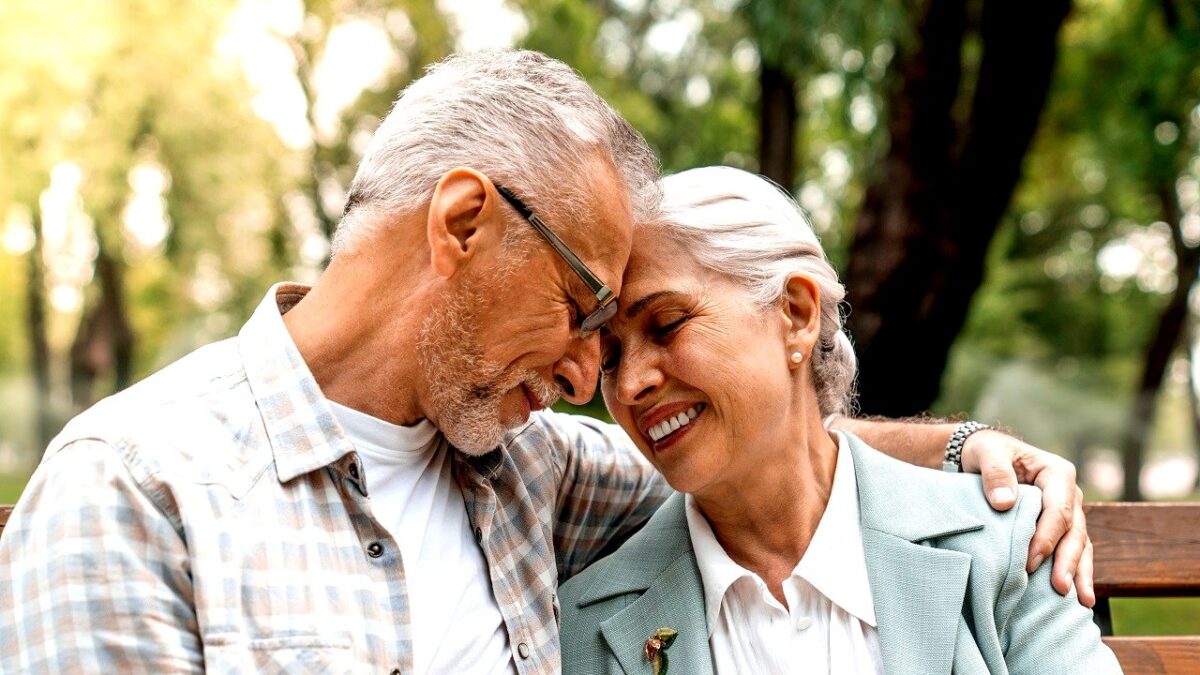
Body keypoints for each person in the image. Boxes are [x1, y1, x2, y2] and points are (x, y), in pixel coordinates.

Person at [1, 51, 1089, 674]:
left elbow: (766, 441)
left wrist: (966, 450)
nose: (590, 381)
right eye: (582, 312)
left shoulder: (527, 467)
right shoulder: (134, 487)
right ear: (464, 224)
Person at [560, 166, 1120, 674]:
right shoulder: (586, 629)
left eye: (667, 324)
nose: (630, 384)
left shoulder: (1006, 544)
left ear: (797, 315)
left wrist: (962, 442)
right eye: (608, 357)